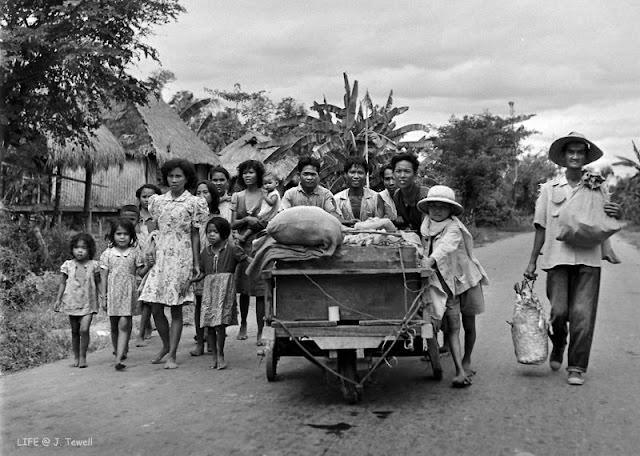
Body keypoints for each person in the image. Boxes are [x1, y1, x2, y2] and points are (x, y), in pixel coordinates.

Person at [524, 132, 622, 386]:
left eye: (580, 152)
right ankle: (559, 343)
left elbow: (605, 220)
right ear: (564, 157)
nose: (576, 156)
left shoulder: (598, 186)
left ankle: (576, 366)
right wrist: (532, 261)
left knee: (582, 314)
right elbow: (541, 226)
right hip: (557, 259)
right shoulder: (549, 189)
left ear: (586, 157)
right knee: (558, 312)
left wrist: (616, 212)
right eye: (571, 152)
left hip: (589, 259)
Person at [138, 158, 209, 369]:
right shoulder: (157, 201)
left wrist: (196, 263)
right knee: (154, 305)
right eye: (171, 176)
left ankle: (172, 355)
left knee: (176, 308)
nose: (174, 180)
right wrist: (151, 246)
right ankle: (166, 346)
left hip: (182, 257)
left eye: (179, 176)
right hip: (160, 257)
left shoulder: (194, 202)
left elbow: (195, 234)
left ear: (187, 178)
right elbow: (156, 228)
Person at [418, 186, 489, 386]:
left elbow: (444, 247)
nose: (437, 211)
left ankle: (465, 361)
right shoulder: (425, 225)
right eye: (433, 206)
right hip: (445, 282)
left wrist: (429, 261)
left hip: (466, 279)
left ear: (450, 210)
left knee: (468, 323)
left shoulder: (454, 227)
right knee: (451, 325)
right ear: (428, 208)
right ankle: (457, 365)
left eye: (443, 207)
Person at [192, 217, 248, 369]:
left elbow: (246, 260)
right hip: (209, 291)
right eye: (209, 232)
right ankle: (214, 357)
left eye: (215, 232)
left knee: (220, 325)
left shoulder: (232, 249)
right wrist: (193, 280)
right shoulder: (205, 252)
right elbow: (203, 272)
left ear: (223, 234)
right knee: (210, 325)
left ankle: (221, 355)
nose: (211, 235)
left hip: (225, 290)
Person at [99, 218, 148, 370]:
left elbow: (140, 271)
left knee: (124, 324)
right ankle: (118, 350)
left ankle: (118, 359)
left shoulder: (135, 252)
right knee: (114, 326)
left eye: (125, 234)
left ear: (131, 236)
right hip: (112, 292)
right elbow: (103, 277)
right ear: (113, 235)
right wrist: (103, 296)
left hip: (128, 292)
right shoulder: (107, 254)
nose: (122, 237)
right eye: (119, 234)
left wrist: (149, 265)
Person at [230, 159, 268, 344]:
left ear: (258, 174)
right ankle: (243, 323)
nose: (247, 175)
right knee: (244, 289)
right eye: (244, 172)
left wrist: (254, 224)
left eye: (251, 172)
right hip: (242, 246)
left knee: (260, 290)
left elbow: (270, 221)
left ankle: (261, 330)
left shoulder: (267, 195)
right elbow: (232, 223)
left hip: (261, 244)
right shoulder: (238, 196)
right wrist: (247, 219)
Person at [53, 233, 100, 368]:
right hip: (71, 301)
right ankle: (76, 357)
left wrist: (104, 296)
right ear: (72, 249)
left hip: (88, 302)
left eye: (84, 248)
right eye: (77, 247)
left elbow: (98, 282)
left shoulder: (94, 265)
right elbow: (62, 283)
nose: (80, 251)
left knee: (84, 330)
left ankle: (83, 356)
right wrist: (58, 299)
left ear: (89, 250)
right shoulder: (68, 265)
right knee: (74, 331)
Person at [190, 180, 220, 355]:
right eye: (198, 193)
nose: (201, 196)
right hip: (198, 261)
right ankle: (199, 340)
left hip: (215, 262)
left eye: (206, 193)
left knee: (214, 302)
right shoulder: (193, 218)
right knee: (200, 303)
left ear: (213, 195)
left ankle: (212, 340)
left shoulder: (217, 217)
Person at [133, 184, 162, 347]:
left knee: (146, 297)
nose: (147, 200)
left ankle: (141, 332)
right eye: (144, 196)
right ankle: (148, 326)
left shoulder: (158, 216)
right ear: (139, 198)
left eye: (151, 197)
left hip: (153, 259)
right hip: (136, 260)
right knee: (141, 296)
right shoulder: (134, 216)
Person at [333, 156, 385, 225]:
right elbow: (334, 222)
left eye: (360, 173)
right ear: (345, 174)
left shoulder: (376, 197)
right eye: (352, 172)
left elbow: (379, 223)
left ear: (366, 175)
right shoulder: (337, 199)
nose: (356, 176)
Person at [391, 153, 430, 232]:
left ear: (415, 174)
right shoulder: (397, 195)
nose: (402, 175)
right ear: (393, 174)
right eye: (398, 171)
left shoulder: (425, 195)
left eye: (407, 171)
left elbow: (427, 228)